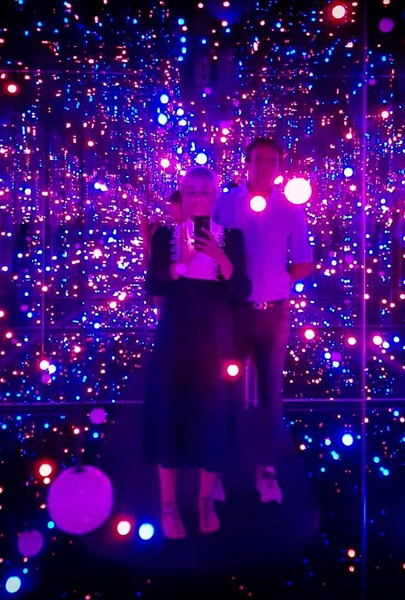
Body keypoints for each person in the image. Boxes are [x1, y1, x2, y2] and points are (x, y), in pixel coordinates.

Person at [144, 165, 251, 539]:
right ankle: (168, 505)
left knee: (213, 411)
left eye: (205, 191)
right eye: (191, 191)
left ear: (215, 196)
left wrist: (221, 259)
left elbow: (241, 291)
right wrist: (181, 265)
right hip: (176, 330)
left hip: (215, 334)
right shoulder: (165, 235)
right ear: (183, 195)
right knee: (170, 411)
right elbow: (153, 284)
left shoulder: (232, 237)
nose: (198, 198)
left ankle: (206, 500)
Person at [212, 137, 314, 504]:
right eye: (259, 160)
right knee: (226, 389)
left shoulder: (289, 209)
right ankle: (219, 468)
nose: (265, 167)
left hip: (274, 313)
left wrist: (280, 280)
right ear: (248, 164)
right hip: (234, 312)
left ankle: (266, 470)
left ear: (279, 166)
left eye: (272, 160)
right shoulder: (226, 203)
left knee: (271, 393)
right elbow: (212, 251)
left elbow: (304, 260)